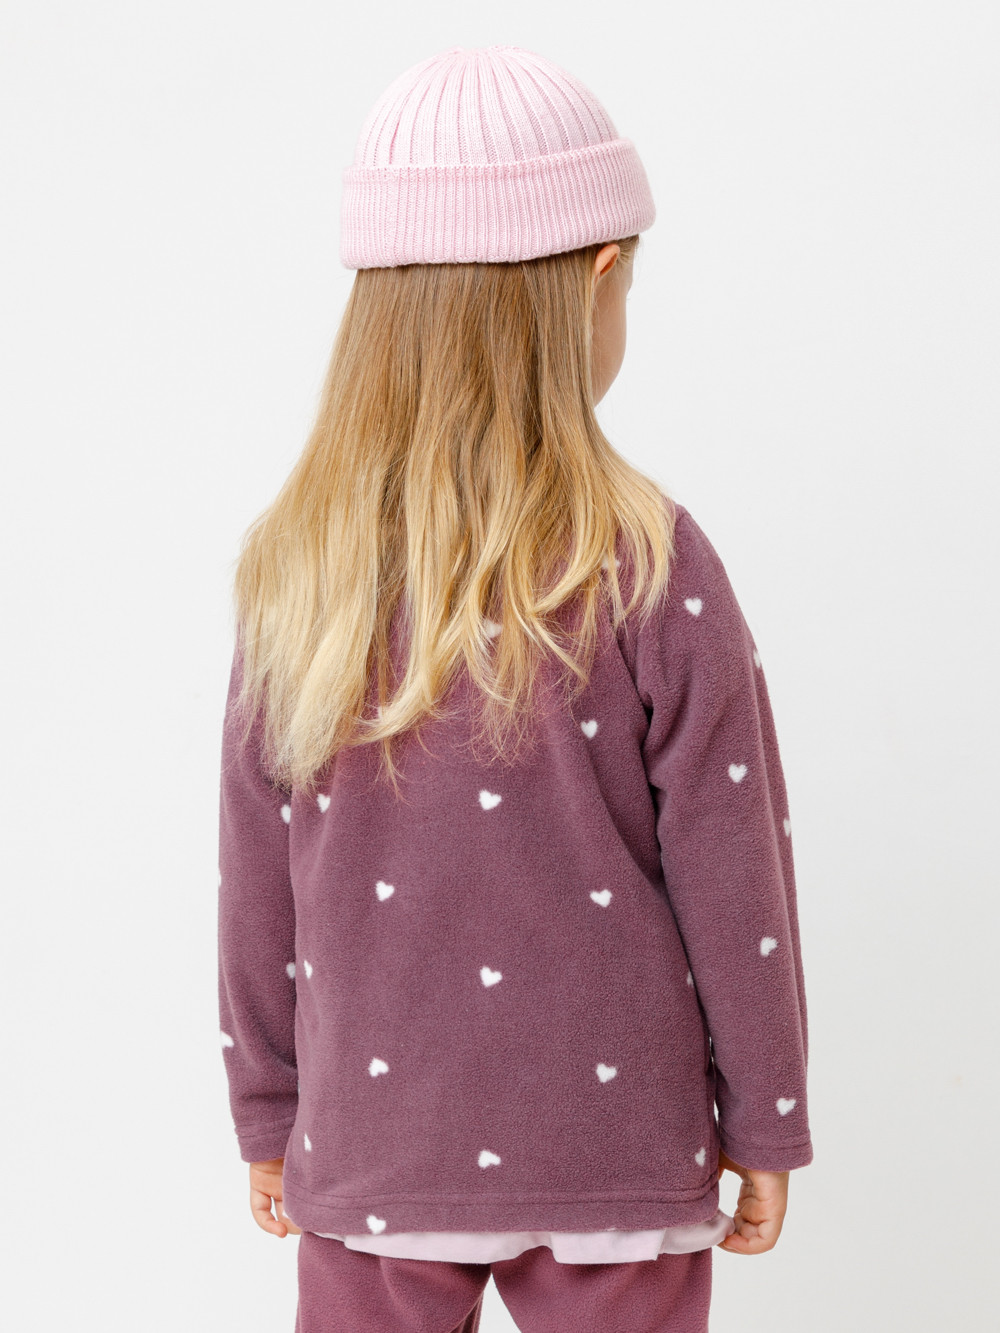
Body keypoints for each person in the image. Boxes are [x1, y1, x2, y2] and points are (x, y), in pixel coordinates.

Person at [217, 43, 814, 1333]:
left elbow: (259, 878)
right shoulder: (652, 558)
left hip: (375, 1144)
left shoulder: (301, 571)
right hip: (617, 1145)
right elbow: (735, 872)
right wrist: (766, 1116)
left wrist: (269, 1111)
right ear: (598, 277)